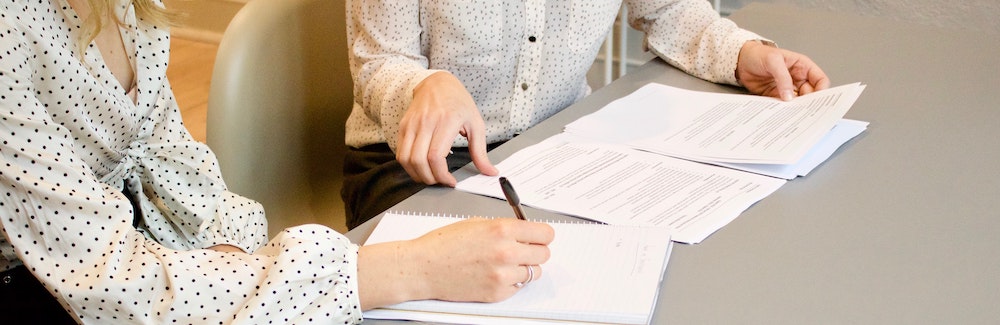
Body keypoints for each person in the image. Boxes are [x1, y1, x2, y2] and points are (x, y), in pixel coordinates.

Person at [0, 0, 554, 323]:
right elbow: (114, 285)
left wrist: (233, 260)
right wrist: (409, 269)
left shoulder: (124, 9)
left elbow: (173, 166)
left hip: (137, 259)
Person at [342, 0, 832, 229]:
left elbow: (666, 8)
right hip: (414, 161)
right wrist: (425, 86)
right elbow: (378, 61)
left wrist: (740, 51)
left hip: (555, 148)